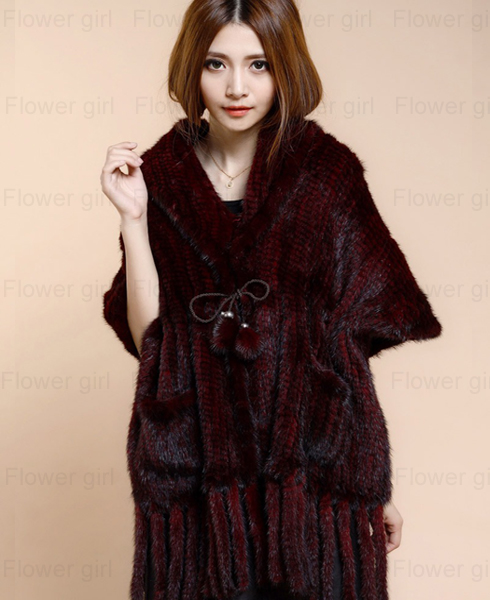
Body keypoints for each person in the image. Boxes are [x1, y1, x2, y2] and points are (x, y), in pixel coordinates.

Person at [101, 2, 442, 599]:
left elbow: (347, 348)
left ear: (286, 68)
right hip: (198, 472)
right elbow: (150, 338)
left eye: (259, 64)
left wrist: (370, 486)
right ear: (192, 67)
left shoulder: (326, 173)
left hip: (307, 475)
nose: (237, 87)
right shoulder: (160, 174)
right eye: (216, 64)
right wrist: (134, 219)